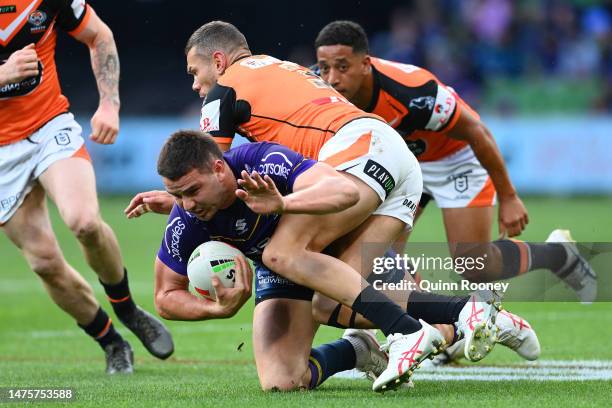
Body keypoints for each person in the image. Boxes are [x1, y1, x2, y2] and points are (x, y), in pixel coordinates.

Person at [150, 130, 539, 392]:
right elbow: (166, 296)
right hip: (279, 267)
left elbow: (335, 190)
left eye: (192, 191)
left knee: (329, 298)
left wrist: (282, 203)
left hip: (330, 239)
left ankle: (466, 316)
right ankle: (361, 350)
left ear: (220, 168)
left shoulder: (260, 161)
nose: (185, 204)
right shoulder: (187, 219)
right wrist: (216, 309)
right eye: (176, 195)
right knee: (282, 381)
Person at [312, 20, 596, 304]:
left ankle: (558, 254)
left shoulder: (412, 91)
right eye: (324, 67)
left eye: (342, 66)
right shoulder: (319, 91)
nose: (332, 78)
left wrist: (508, 196)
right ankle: (423, 328)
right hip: (402, 165)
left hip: (455, 159)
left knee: (474, 265)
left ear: (365, 63)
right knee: (376, 256)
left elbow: (476, 130)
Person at [0, 0, 173, 374]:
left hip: (48, 127)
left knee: (84, 222)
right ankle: (111, 341)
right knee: (44, 262)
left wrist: (109, 104)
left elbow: (100, 36)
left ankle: (127, 309)